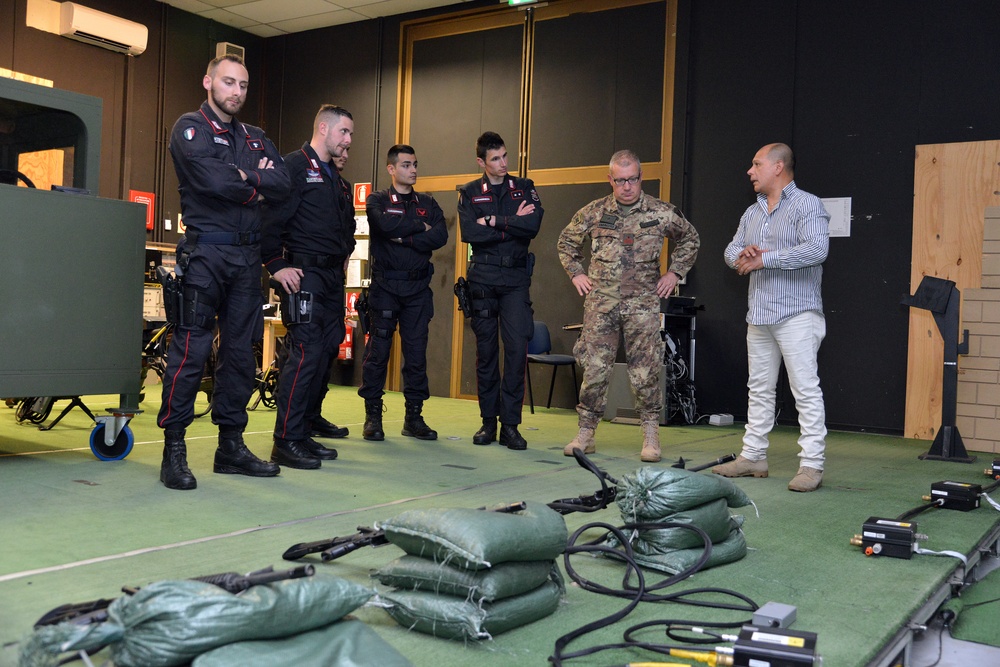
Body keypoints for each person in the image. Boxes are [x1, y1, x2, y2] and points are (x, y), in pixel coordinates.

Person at [158, 55, 289, 490]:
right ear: (208, 81)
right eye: (228, 83)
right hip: (206, 257)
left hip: (247, 261)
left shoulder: (254, 137)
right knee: (191, 351)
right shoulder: (188, 128)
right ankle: (173, 448)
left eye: (244, 85)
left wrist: (241, 175)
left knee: (239, 355)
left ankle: (229, 446)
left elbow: (284, 183)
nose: (236, 92)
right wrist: (257, 181)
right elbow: (212, 183)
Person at [558, 150, 700, 463]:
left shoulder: (660, 212)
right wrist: (577, 273)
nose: (626, 186)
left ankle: (650, 433)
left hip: (642, 304)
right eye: (620, 180)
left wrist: (674, 272)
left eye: (632, 179)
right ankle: (586, 431)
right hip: (601, 304)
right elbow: (566, 243)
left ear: (640, 178)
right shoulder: (594, 212)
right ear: (610, 180)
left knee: (646, 369)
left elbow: (690, 238)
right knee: (594, 367)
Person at [713, 143, 830, 492]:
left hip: (798, 313)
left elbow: (817, 249)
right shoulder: (752, 213)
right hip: (760, 314)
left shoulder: (808, 204)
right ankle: (753, 457)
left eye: (756, 164)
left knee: (805, 390)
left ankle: (811, 465)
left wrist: (766, 259)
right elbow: (730, 251)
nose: (750, 171)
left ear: (778, 167)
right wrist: (744, 253)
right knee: (759, 390)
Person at [261, 105, 356, 469]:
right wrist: (276, 265)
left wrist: (345, 253)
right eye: (344, 132)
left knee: (325, 350)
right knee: (304, 354)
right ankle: (285, 440)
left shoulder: (334, 176)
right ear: (323, 127)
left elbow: (343, 226)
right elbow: (268, 219)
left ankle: (302, 432)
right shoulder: (294, 166)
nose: (348, 141)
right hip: (304, 275)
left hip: (332, 278)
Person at [458, 132, 543, 450]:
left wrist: (493, 220)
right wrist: (510, 223)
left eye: (505, 156)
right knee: (486, 354)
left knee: (517, 350)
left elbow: (532, 226)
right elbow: (469, 232)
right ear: (481, 162)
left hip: (515, 281)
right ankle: (488, 423)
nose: (503, 163)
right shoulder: (469, 192)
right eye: (495, 158)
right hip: (482, 280)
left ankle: (510, 426)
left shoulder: (525, 187)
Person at [359, 145, 448, 440]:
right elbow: (383, 225)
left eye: (415, 164)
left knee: (416, 355)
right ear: (391, 168)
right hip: (385, 287)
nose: (413, 170)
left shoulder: (428, 202)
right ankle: (373, 417)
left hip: (417, 290)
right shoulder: (378, 200)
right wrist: (418, 230)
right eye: (407, 164)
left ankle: (414, 417)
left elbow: (440, 235)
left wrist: (403, 236)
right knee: (378, 353)